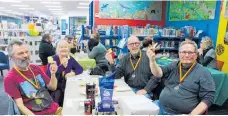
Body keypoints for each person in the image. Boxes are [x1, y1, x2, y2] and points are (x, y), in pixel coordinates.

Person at [147, 40, 215, 115]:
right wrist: (152, 60)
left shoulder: (203, 72)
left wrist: (191, 115)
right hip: (160, 106)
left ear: (196, 55)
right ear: (179, 54)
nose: (186, 55)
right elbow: (158, 74)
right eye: (183, 52)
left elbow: (208, 98)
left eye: (190, 52)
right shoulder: (174, 65)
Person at [4, 39, 61, 115]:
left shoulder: (35, 68)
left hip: (54, 109)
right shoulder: (10, 78)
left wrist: (53, 74)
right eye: (20, 53)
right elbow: (20, 105)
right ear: (11, 57)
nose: (25, 55)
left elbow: (53, 87)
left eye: (27, 52)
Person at [46, 40, 83, 106]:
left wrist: (72, 73)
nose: (63, 49)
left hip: (66, 86)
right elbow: (49, 76)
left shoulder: (70, 59)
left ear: (68, 49)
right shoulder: (53, 60)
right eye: (61, 47)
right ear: (57, 49)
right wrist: (62, 66)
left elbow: (80, 68)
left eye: (65, 47)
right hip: (55, 89)